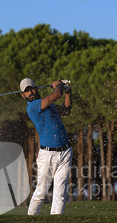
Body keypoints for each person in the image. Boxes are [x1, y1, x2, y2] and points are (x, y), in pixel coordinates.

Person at [20, 78, 73, 215]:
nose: (30, 92)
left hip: (65, 152)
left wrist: (67, 91)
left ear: (36, 88)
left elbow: (66, 111)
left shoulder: (50, 106)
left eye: (32, 88)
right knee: (41, 191)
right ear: (23, 95)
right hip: (48, 155)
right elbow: (56, 95)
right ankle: (31, 220)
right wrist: (57, 86)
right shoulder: (32, 107)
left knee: (60, 194)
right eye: (27, 91)